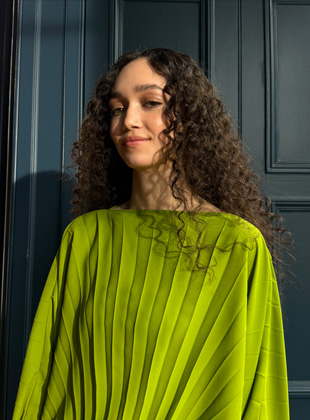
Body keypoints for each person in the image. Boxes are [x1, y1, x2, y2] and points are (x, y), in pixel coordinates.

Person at [13, 48, 291, 419]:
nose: (128, 120)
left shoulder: (237, 245)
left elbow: (260, 389)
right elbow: (47, 375)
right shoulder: (87, 237)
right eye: (116, 108)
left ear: (188, 117)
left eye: (150, 103)